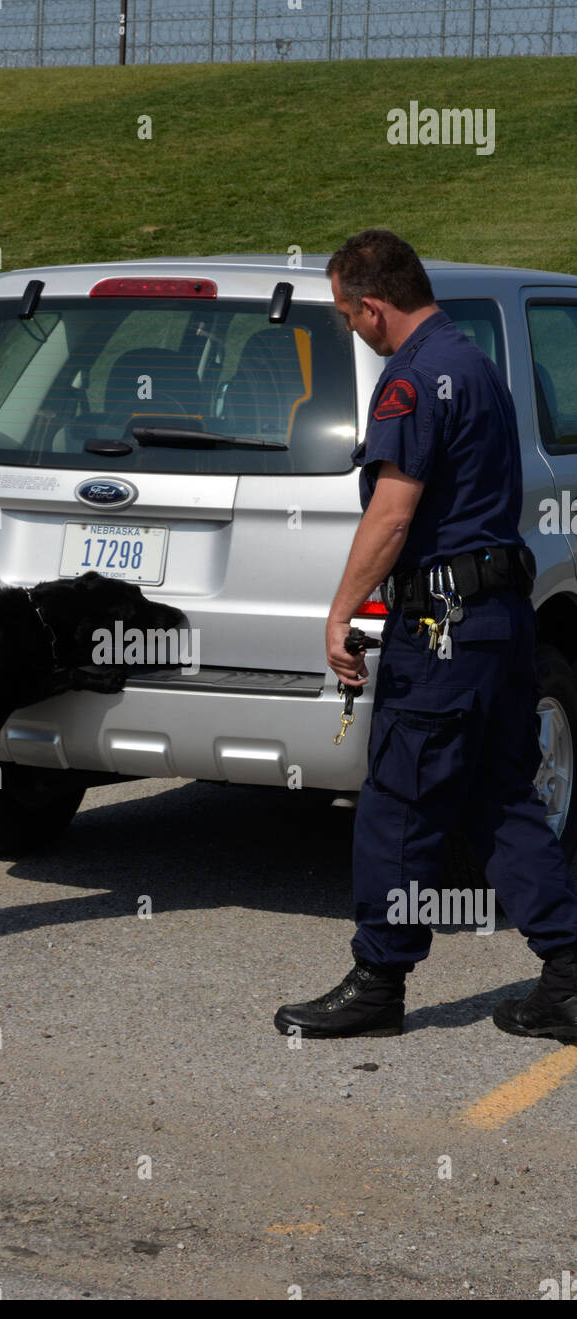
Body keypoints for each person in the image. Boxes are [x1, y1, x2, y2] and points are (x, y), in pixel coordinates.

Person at [273, 228, 577, 1042]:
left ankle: (378, 981)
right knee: (503, 796)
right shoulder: (474, 361)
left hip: (442, 630)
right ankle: (570, 973)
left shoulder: (409, 383)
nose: (349, 328)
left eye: (346, 314)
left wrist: (342, 611)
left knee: (399, 803)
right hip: (498, 620)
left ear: (372, 306)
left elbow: (393, 511)